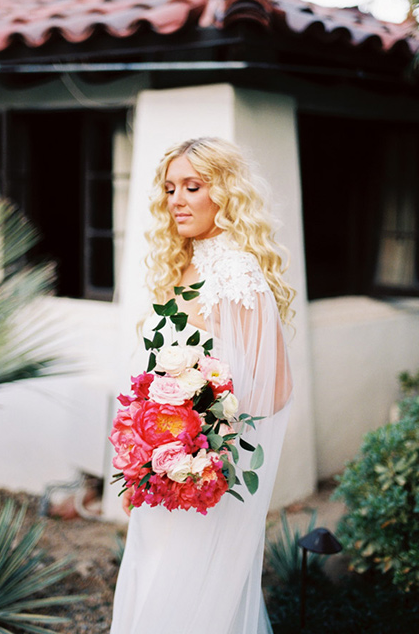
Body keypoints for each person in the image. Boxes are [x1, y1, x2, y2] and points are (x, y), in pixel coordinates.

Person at [110, 137, 294, 634]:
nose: (177, 199)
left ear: (226, 192)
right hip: (162, 472)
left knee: (188, 596)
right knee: (154, 580)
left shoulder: (234, 271)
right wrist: (147, 453)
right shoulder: (182, 264)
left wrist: (196, 441)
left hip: (200, 474)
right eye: (171, 188)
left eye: (192, 186)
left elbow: (275, 388)